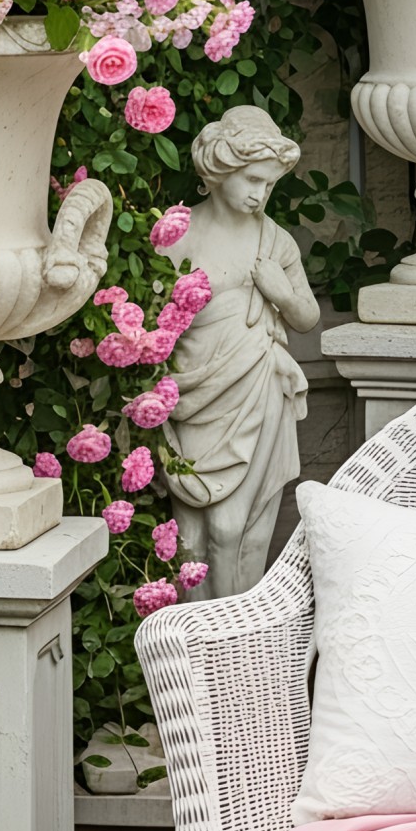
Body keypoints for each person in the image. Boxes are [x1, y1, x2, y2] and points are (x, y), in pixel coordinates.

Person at [159, 106, 320, 598]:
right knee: (191, 539)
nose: (259, 194)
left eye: (269, 185)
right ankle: (191, 652)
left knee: (232, 529)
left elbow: (307, 316)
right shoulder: (177, 234)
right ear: (218, 171)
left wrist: (283, 293)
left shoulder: (275, 242)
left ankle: (232, 642)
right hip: (192, 395)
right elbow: (149, 320)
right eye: (251, 179)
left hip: (256, 389)